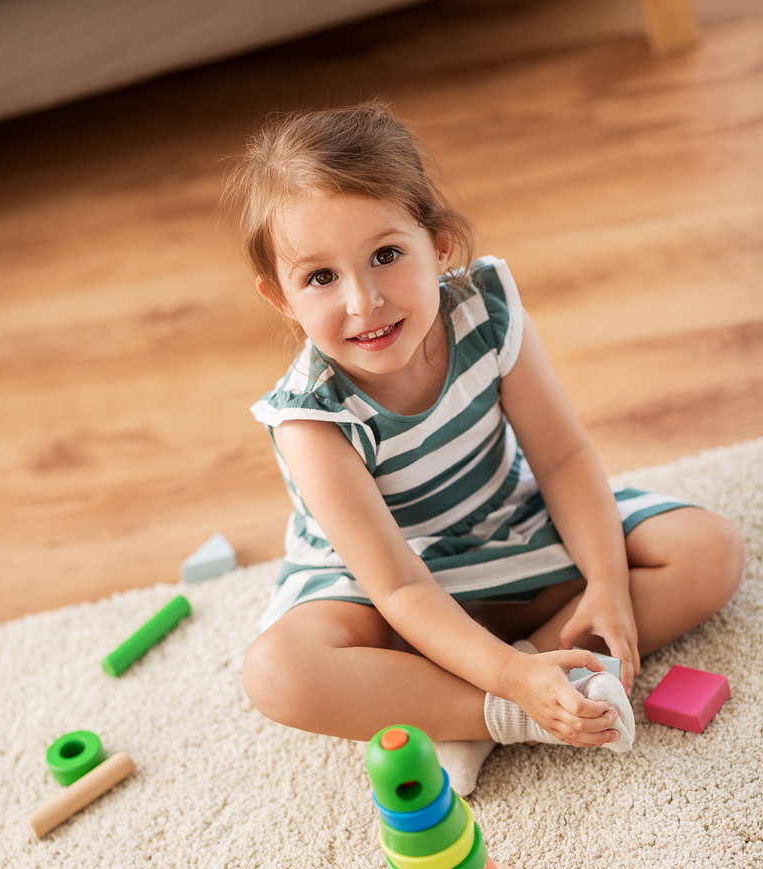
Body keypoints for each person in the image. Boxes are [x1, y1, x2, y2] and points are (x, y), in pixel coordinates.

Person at [228, 102, 744, 794]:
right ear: (281, 299)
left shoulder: (486, 308)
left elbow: (562, 459)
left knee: (710, 550)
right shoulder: (309, 420)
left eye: (386, 255)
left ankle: (534, 673)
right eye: (321, 277)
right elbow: (399, 585)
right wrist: (506, 683)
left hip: (509, 522)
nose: (364, 300)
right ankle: (497, 711)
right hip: (386, 586)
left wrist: (607, 583)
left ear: (438, 245)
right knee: (278, 673)